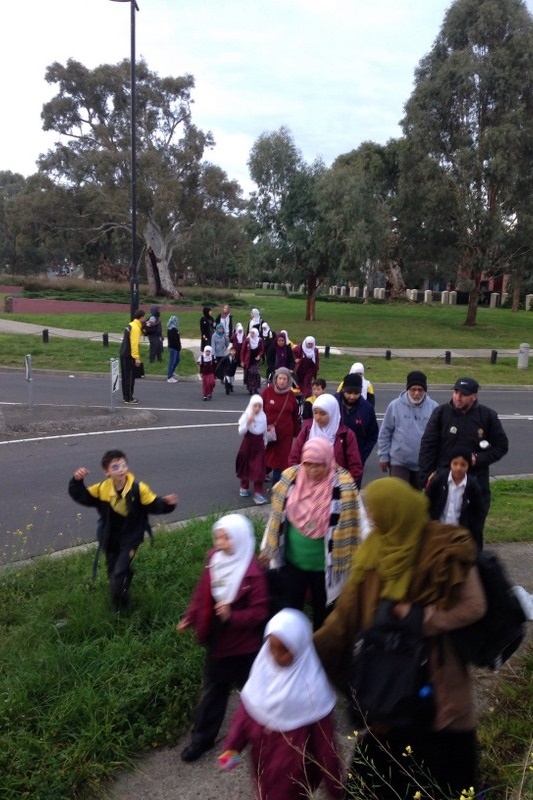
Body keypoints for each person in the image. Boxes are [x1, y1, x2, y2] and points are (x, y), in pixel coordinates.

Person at [313, 477, 487, 800]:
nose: (374, 520)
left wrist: (420, 619)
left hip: (438, 685)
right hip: (391, 687)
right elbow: (344, 616)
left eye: (378, 513)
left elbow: (475, 606)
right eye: (371, 514)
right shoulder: (373, 552)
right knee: (372, 780)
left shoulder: (445, 545)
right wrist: (310, 648)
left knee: (451, 780)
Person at [219, 608, 344, 800]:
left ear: (300, 648)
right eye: (271, 647)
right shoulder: (262, 675)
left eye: (284, 650)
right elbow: (244, 717)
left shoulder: (312, 693)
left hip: (295, 780)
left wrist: (336, 789)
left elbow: (326, 748)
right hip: (262, 767)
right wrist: (232, 748)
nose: (275, 655)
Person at [177, 514, 270, 763]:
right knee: (213, 691)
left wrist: (233, 615)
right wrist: (191, 616)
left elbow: (260, 612)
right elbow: (202, 593)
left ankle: (266, 730)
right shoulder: (214, 561)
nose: (220, 542)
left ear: (240, 539)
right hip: (218, 640)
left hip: (244, 647)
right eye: (217, 536)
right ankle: (202, 739)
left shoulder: (252, 574)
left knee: (252, 691)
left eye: (226, 537)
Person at [262, 437, 364, 630]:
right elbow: (276, 516)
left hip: (325, 568)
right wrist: (267, 547)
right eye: (308, 464)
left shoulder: (344, 485)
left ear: (329, 461)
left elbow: (358, 520)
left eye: (319, 465)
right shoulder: (290, 477)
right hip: (293, 564)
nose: (313, 470)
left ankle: (319, 653)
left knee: (324, 616)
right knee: (289, 611)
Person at [68, 449, 177, 611]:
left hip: (130, 538)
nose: (122, 469)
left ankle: (121, 609)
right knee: (113, 570)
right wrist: (77, 481)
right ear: (106, 472)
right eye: (116, 467)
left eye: (124, 465)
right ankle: (121, 586)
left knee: (118, 574)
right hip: (109, 537)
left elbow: (153, 505)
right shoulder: (101, 489)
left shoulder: (139, 489)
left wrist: (168, 504)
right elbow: (81, 495)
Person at [419, 376, 509, 531]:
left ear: (474, 396)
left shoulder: (487, 416)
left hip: (475, 482)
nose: (458, 397)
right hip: (444, 480)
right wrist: (427, 476)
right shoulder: (441, 413)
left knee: (472, 530)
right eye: (455, 392)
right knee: (436, 528)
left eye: (463, 394)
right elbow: (428, 446)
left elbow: (501, 446)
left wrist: (479, 459)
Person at [377, 370, 439, 487]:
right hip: (399, 462)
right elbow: (385, 432)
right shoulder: (395, 406)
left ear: (425, 390)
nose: (416, 393)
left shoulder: (434, 407)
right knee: (400, 498)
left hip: (423, 463)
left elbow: (439, 436)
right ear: (407, 389)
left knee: (418, 500)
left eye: (420, 390)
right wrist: (383, 455)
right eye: (413, 389)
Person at [288, 392, 363, 486]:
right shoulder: (307, 431)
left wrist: (341, 477)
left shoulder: (346, 435)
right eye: (315, 413)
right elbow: (293, 458)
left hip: (335, 490)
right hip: (308, 487)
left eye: (323, 413)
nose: (318, 417)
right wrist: (301, 475)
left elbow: (355, 468)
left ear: (332, 413)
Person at [425, 445, 485, 550]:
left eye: (463, 465)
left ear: (468, 466)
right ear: (450, 464)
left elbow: (479, 512)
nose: (458, 468)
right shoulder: (439, 480)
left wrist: (473, 533)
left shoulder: (472, 486)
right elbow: (427, 501)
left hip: (459, 534)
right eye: (455, 464)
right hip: (439, 531)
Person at [335, 373, 378, 487]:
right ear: (343, 390)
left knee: (351, 497)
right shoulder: (333, 403)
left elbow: (373, 435)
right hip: (332, 462)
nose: (352, 397)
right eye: (349, 392)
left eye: (356, 393)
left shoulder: (367, 409)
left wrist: (361, 456)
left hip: (355, 463)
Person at [261, 367, 300, 486]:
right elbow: (258, 410)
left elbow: (295, 415)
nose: (282, 381)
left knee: (282, 459)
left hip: (285, 433)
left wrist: (297, 432)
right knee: (267, 455)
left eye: (285, 379)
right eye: (280, 378)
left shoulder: (291, 395)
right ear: (275, 379)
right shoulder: (267, 392)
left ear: (288, 380)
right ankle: (262, 473)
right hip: (269, 432)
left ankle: (277, 484)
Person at [236, 394, 268, 505]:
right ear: (251, 405)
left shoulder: (263, 416)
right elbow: (241, 431)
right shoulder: (247, 415)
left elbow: (264, 431)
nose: (257, 409)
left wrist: (265, 442)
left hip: (259, 446)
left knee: (259, 468)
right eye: (255, 406)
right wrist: (248, 423)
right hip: (248, 444)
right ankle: (244, 486)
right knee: (246, 466)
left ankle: (258, 492)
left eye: (260, 406)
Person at [119, 309, 145, 404]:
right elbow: (134, 344)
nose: (145, 319)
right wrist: (136, 358)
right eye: (144, 317)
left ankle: (125, 396)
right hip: (129, 355)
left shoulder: (130, 325)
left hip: (123, 352)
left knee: (125, 376)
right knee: (130, 377)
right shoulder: (136, 328)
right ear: (141, 317)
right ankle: (129, 398)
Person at [240, 328, 264, 395]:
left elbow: (262, 350)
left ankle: (255, 388)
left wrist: (259, 355)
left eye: (253, 333)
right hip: (248, 360)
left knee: (256, 373)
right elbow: (243, 351)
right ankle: (250, 388)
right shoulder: (247, 340)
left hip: (256, 360)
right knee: (249, 374)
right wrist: (242, 360)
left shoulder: (259, 341)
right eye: (251, 333)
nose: (251, 334)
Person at [166, 315, 181, 383]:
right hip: (173, 348)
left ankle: (172, 371)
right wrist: (178, 346)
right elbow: (174, 340)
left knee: (177, 360)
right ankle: (169, 377)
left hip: (176, 347)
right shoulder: (172, 329)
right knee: (172, 362)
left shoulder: (175, 329)